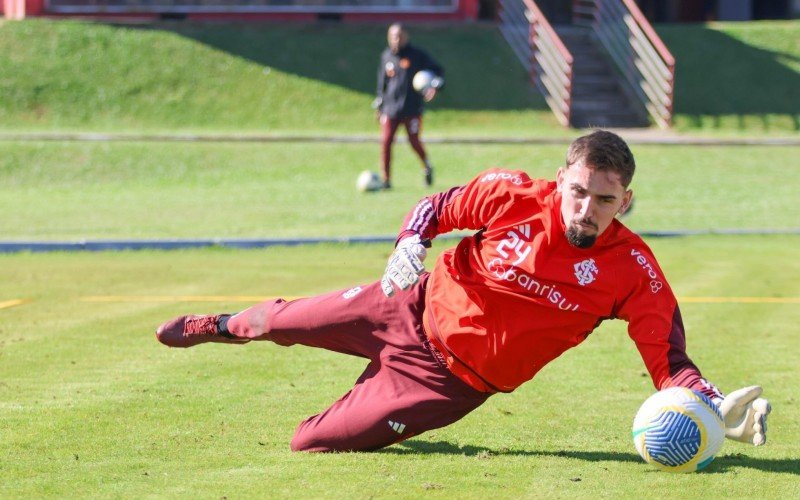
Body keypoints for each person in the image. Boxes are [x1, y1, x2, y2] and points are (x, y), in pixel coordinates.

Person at [156, 130, 771, 453]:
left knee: (309, 443)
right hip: (406, 305)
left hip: (446, 384)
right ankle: (218, 323)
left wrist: (714, 408)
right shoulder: (511, 194)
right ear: (561, 181)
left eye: (604, 200)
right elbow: (436, 205)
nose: (586, 210)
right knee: (281, 322)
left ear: (626, 201)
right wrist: (408, 246)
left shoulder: (635, 270)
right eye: (578, 192)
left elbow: (669, 361)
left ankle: (371, 393)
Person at [373, 23, 443, 190]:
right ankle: (386, 180)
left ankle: (427, 166)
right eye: (392, 36)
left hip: (411, 109)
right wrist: (379, 105)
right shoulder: (386, 56)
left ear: (406, 37)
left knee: (414, 141)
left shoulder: (417, 56)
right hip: (390, 109)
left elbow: (438, 71)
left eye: (399, 36)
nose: (395, 40)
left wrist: (434, 87)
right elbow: (382, 83)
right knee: (386, 142)